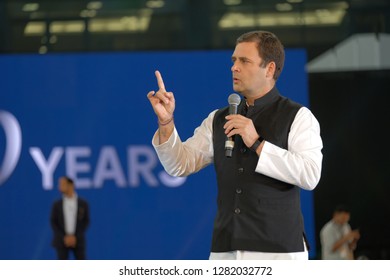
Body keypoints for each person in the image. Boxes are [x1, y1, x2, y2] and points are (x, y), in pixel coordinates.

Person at [147, 30, 323, 260]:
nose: (234, 67)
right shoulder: (218, 119)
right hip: (225, 250)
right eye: (233, 60)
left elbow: (310, 175)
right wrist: (166, 122)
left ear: (269, 69)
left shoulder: (298, 116)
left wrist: (257, 143)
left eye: (244, 61)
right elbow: (179, 165)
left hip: (280, 253)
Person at [50, 176, 90, 260]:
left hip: (78, 241)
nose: (59, 187)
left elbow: (85, 222)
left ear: (71, 185)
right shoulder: (57, 205)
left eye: (62, 184)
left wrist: (75, 237)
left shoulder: (83, 204)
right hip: (62, 241)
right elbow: (54, 222)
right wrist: (64, 237)